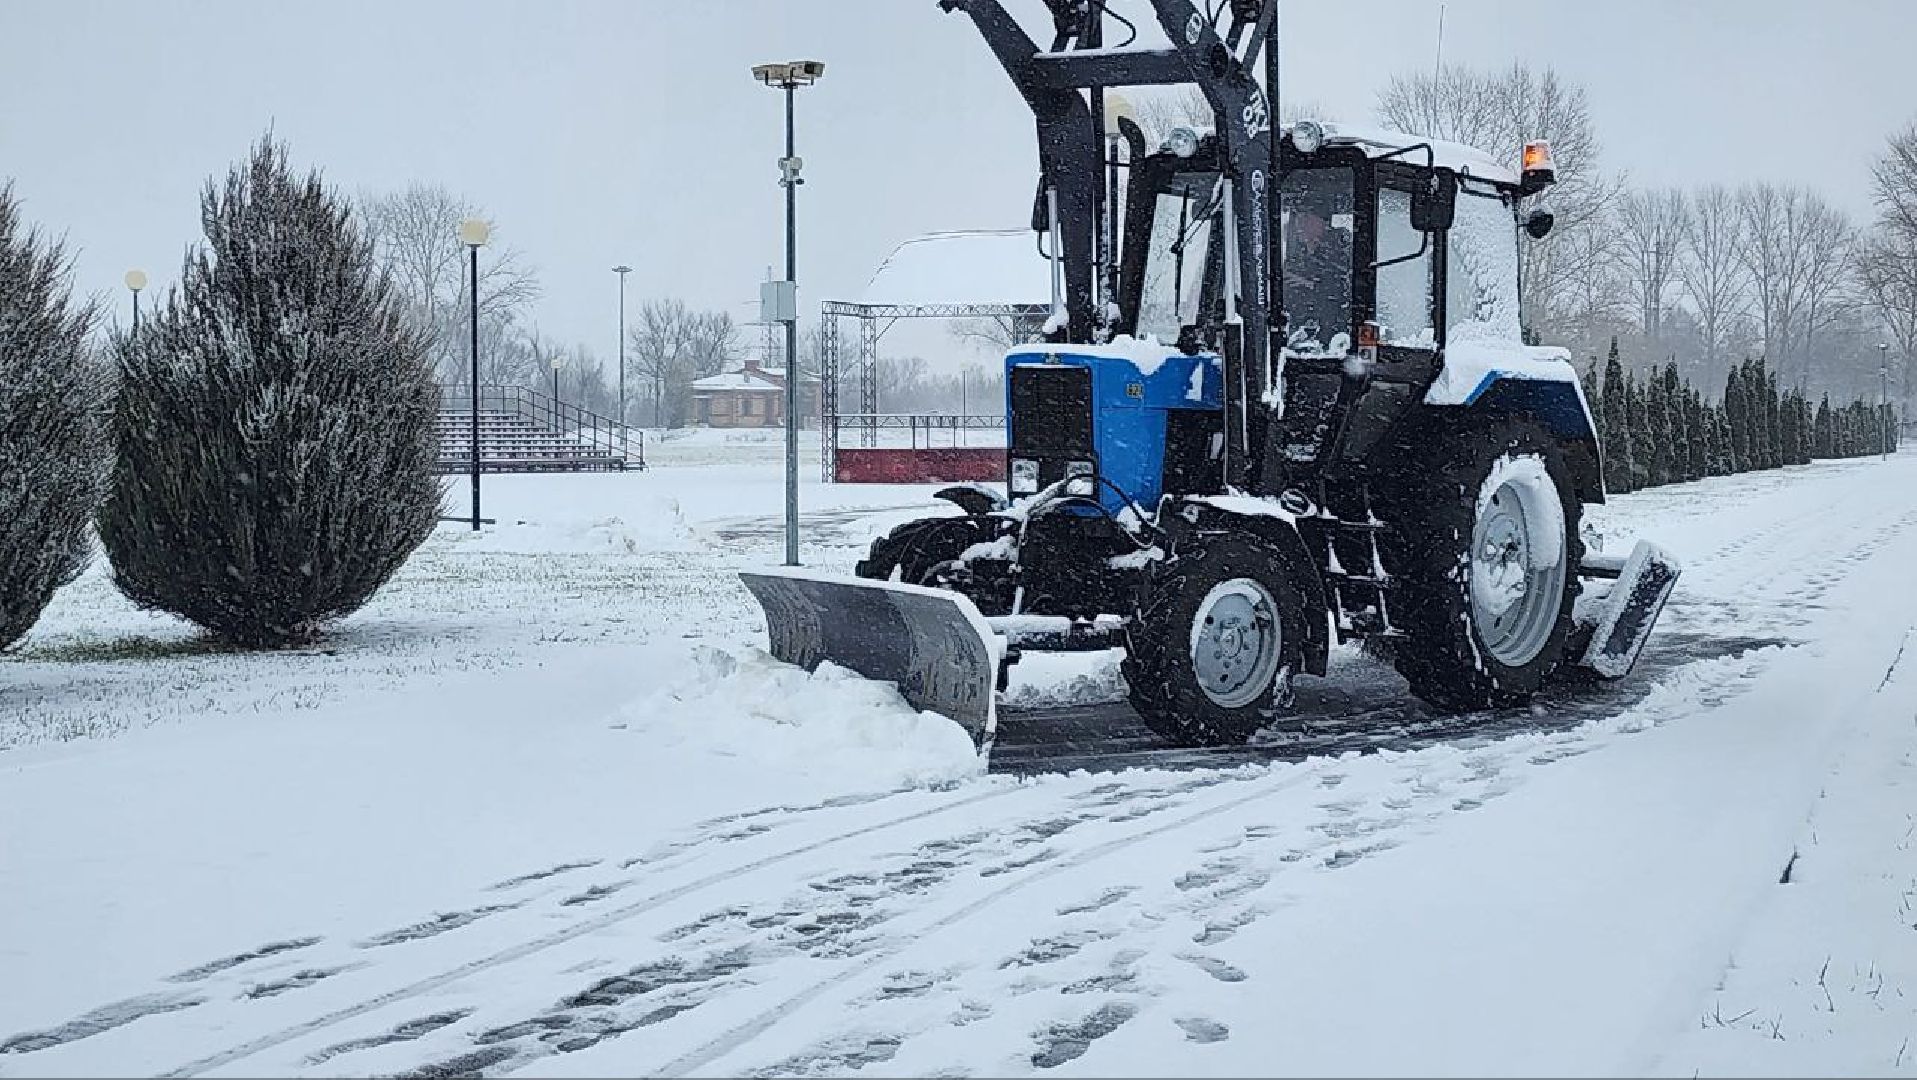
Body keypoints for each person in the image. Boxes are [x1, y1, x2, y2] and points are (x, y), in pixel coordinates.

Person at [1283, 202, 1352, 348]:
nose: (1299, 223)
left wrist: (1308, 284)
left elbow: (1346, 288)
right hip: (1298, 335)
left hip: (1337, 338)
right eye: (1297, 217)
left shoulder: (1341, 248)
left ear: (1322, 221)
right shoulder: (1296, 257)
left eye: (1306, 217)